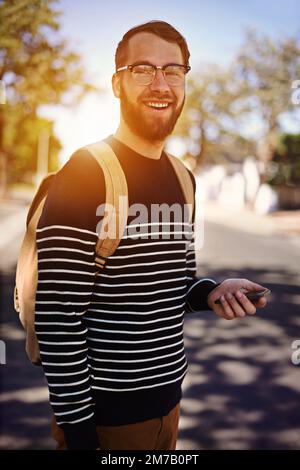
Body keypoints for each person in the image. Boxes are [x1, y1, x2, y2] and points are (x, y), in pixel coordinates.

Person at [35, 20, 268, 450]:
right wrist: (82, 438)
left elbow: (177, 281)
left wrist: (212, 291)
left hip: (169, 407)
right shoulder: (85, 172)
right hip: (104, 421)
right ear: (117, 83)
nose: (160, 83)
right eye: (143, 69)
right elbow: (57, 321)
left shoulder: (184, 178)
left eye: (173, 71)